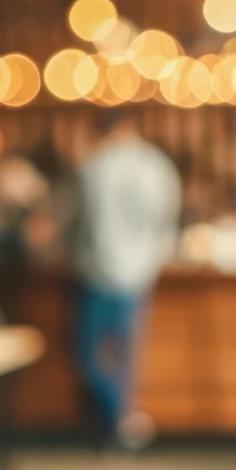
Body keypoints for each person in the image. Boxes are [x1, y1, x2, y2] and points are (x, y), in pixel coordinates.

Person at [74, 111, 180, 448]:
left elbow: (84, 224)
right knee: (123, 354)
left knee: (93, 355)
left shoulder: (96, 167)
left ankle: (121, 420)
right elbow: (166, 222)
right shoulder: (157, 167)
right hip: (136, 274)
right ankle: (123, 419)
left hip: (101, 275)